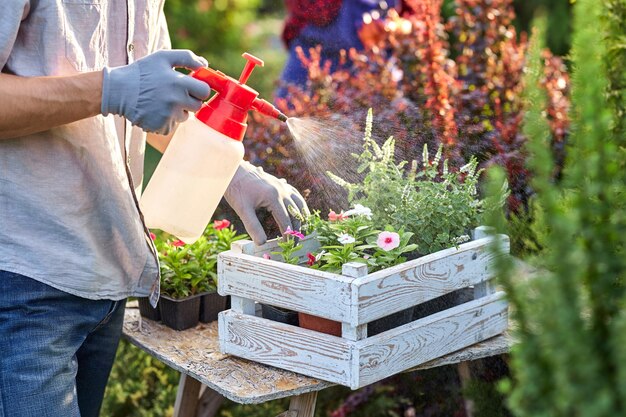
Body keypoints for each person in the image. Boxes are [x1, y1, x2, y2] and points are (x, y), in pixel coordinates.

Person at [0, 2, 307, 417]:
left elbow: (151, 100)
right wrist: (108, 90)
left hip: (102, 275)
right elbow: (123, 89)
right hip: (23, 280)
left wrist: (232, 171)